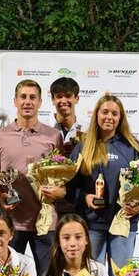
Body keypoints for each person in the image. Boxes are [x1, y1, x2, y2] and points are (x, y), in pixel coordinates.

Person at [68, 95, 139, 276]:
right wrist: (84, 197)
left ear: (121, 117)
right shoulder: (84, 145)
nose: (109, 117)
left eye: (114, 113)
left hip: (124, 224)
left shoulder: (132, 147)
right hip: (92, 224)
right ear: (97, 115)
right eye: (105, 112)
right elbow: (69, 186)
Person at [0, 80, 64, 276]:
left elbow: (61, 177)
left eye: (32, 97)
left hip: (45, 221)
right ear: (15, 101)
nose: (27, 102)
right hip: (11, 222)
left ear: (40, 102)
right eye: (23, 97)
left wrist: (57, 191)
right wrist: (0, 196)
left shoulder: (54, 136)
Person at [49, 76, 82, 216]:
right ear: (52, 100)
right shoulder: (43, 128)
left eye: (68, 96)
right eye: (59, 96)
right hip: (49, 201)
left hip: (80, 201)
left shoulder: (89, 129)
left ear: (77, 98)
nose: (63, 101)